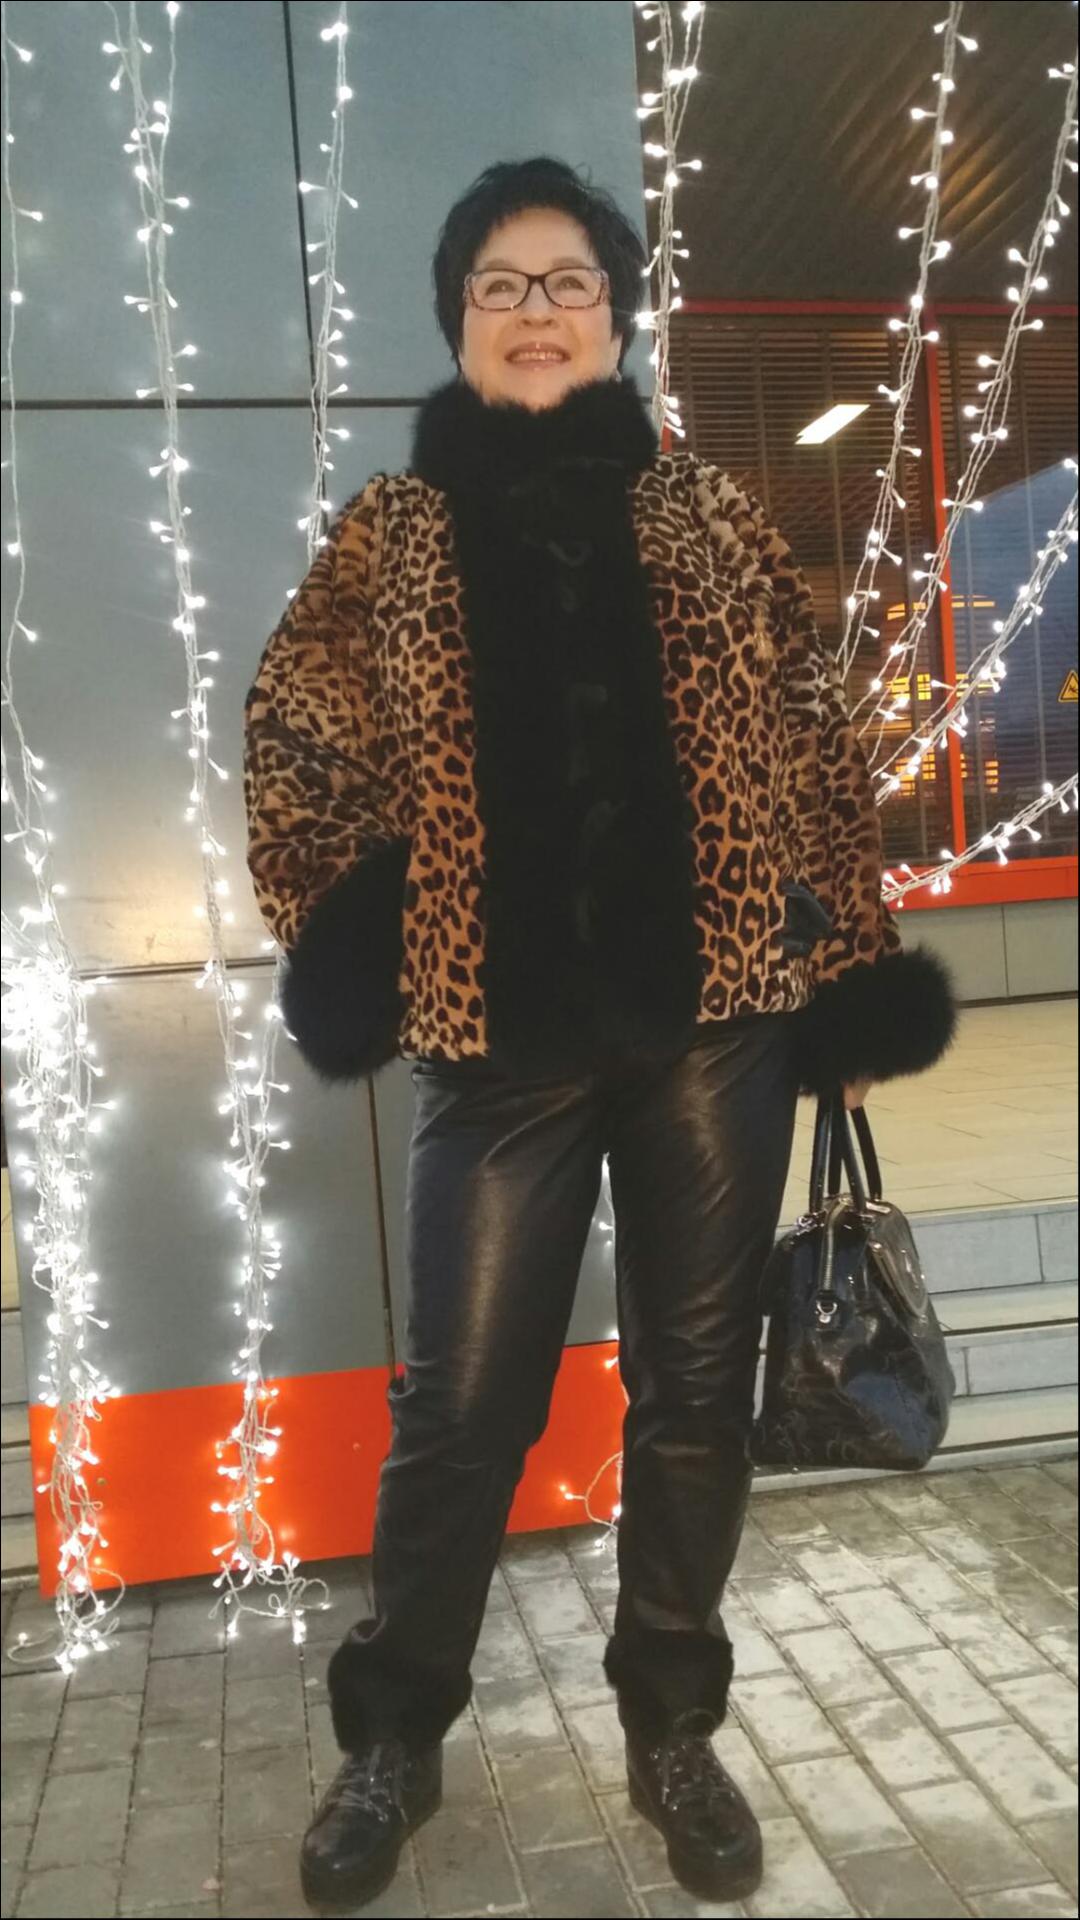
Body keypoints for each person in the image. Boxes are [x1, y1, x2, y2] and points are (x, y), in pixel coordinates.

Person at [242, 156, 957, 1911]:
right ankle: (394, 1737)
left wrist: (847, 974)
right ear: (459, 323)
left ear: (618, 317)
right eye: (502, 285)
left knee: (696, 1399)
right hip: (502, 1052)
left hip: (722, 1032)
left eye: (569, 281)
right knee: (461, 1407)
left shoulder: (708, 512)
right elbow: (296, 748)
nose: (538, 310)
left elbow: (811, 741)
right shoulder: (392, 535)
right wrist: (371, 929)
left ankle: (673, 1727)